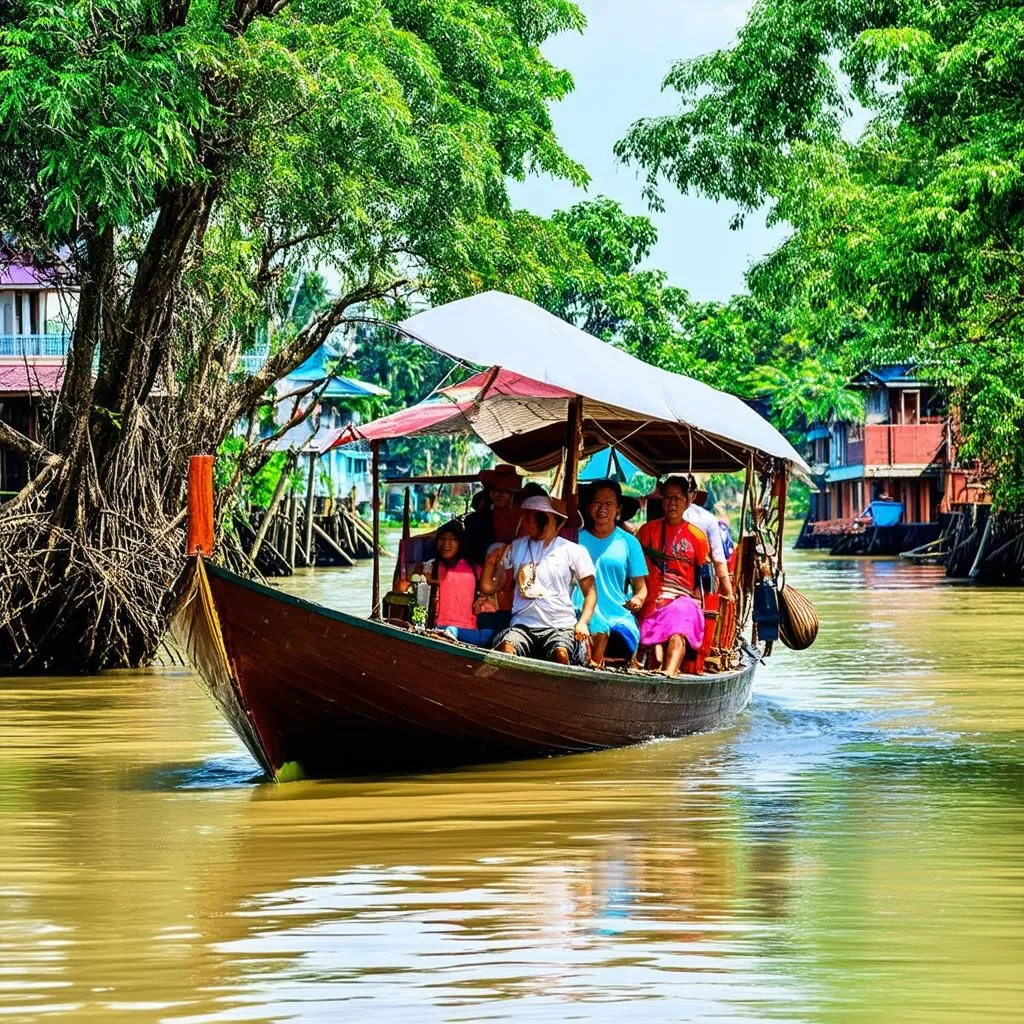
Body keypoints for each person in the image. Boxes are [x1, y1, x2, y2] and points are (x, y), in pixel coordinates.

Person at [479, 493, 597, 664]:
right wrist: (490, 562)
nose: (524, 522)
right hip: (522, 626)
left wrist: (583, 623)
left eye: (530, 518)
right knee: (506, 649)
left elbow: (591, 593)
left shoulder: (574, 551)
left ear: (549, 520)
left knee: (560, 654)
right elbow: (488, 588)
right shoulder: (518, 546)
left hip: (560, 627)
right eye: (524, 517)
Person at [636, 476, 710, 676]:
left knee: (680, 623)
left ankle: (668, 673)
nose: (672, 503)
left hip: (683, 600)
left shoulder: (698, 536)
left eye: (677, 497)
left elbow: (705, 581)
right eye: (668, 497)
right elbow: (634, 569)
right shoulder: (646, 531)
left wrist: (697, 600)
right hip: (652, 598)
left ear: (688, 500)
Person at [575, 480, 648, 667]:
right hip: (577, 612)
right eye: (597, 502)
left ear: (618, 509)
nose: (602, 508)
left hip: (617, 615)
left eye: (608, 503)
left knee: (620, 638)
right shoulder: (575, 538)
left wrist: (638, 600)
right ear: (589, 507)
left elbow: (641, 588)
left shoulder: (629, 542)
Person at [415, 521, 494, 645]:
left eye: (452, 539)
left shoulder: (476, 569)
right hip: (435, 629)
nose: (446, 544)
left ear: (460, 542)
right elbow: (406, 590)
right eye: (442, 538)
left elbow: (489, 600)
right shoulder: (429, 567)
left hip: (468, 632)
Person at [683, 477, 735, 601]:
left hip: (698, 581)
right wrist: (728, 593)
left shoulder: (707, 520)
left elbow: (718, 560)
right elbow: (718, 560)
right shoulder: (707, 519)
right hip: (697, 584)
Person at [463, 463, 522, 565]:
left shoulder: (521, 516)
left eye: (505, 491)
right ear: (490, 493)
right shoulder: (478, 518)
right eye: (496, 490)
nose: (500, 495)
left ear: (512, 494)